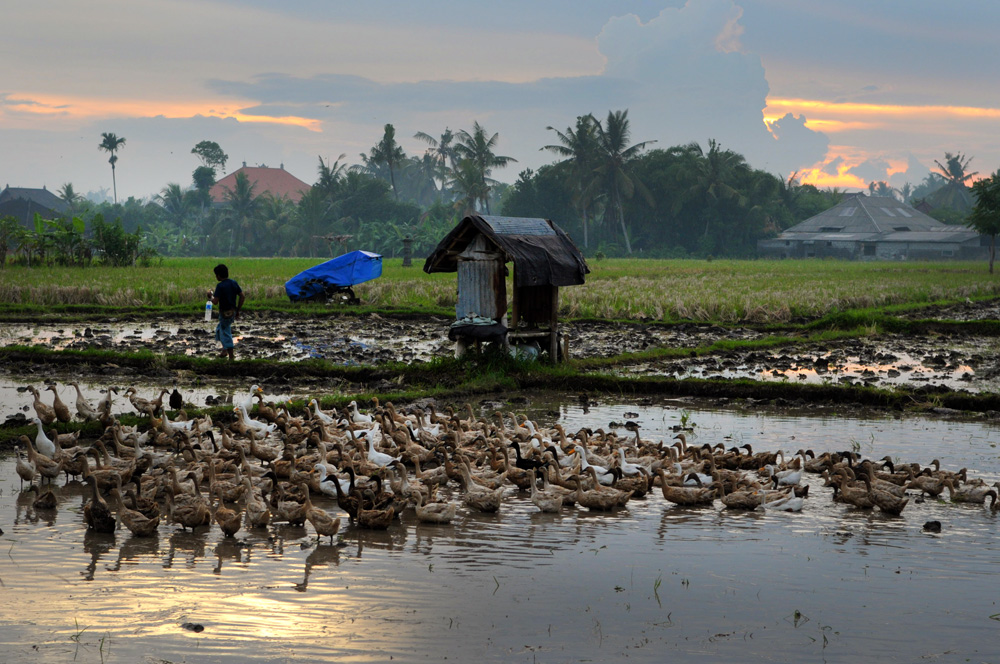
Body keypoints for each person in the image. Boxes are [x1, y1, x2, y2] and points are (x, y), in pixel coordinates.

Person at [208, 263, 245, 360]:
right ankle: (224, 351)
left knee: (226, 332)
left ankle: (231, 356)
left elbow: (215, 301)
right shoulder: (233, 283)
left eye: (216, 275)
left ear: (219, 275)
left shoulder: (220, 286)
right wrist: (238, 310)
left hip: (224, 313)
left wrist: (210, 296)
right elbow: (242, 296)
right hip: (232, 312)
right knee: (220, 329)